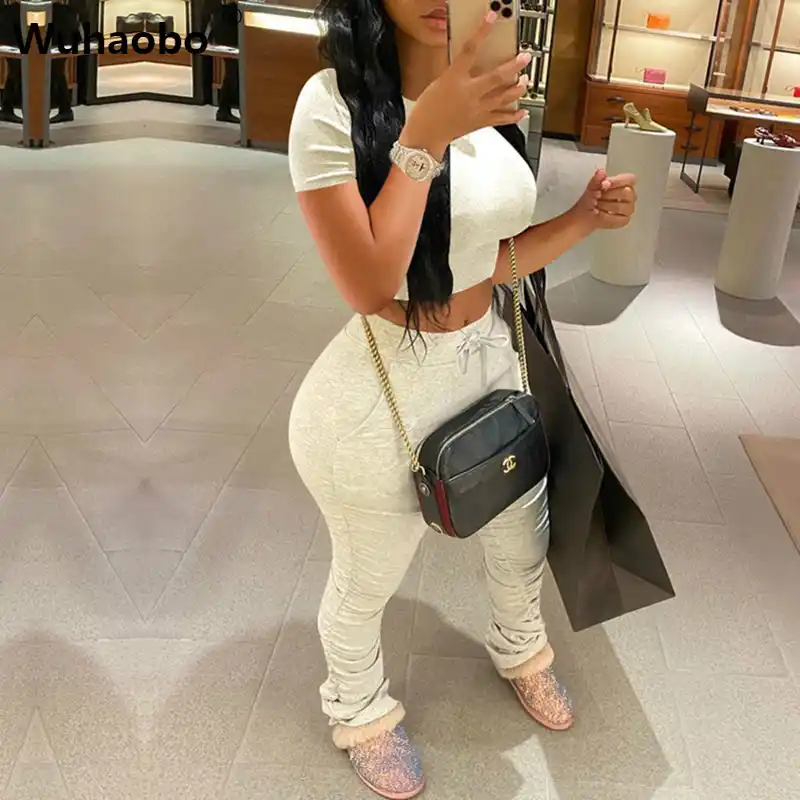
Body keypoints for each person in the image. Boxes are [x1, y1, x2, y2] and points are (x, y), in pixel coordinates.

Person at [286, 0, 637, 797]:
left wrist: (582, 219)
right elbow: (369, 283)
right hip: (379, 398)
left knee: (523, 536)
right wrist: (424, 136)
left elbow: (489, 257)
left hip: (489, 365)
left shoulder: (490, 95)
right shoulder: (332, 105)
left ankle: (523, 650)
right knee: (369, 576)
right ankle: (359, 708)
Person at [206, 0, 239, 123]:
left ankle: (224, 109)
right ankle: (224, 110)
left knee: (233, 71)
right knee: (233, 71)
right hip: (228, 23)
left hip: (229, 21)